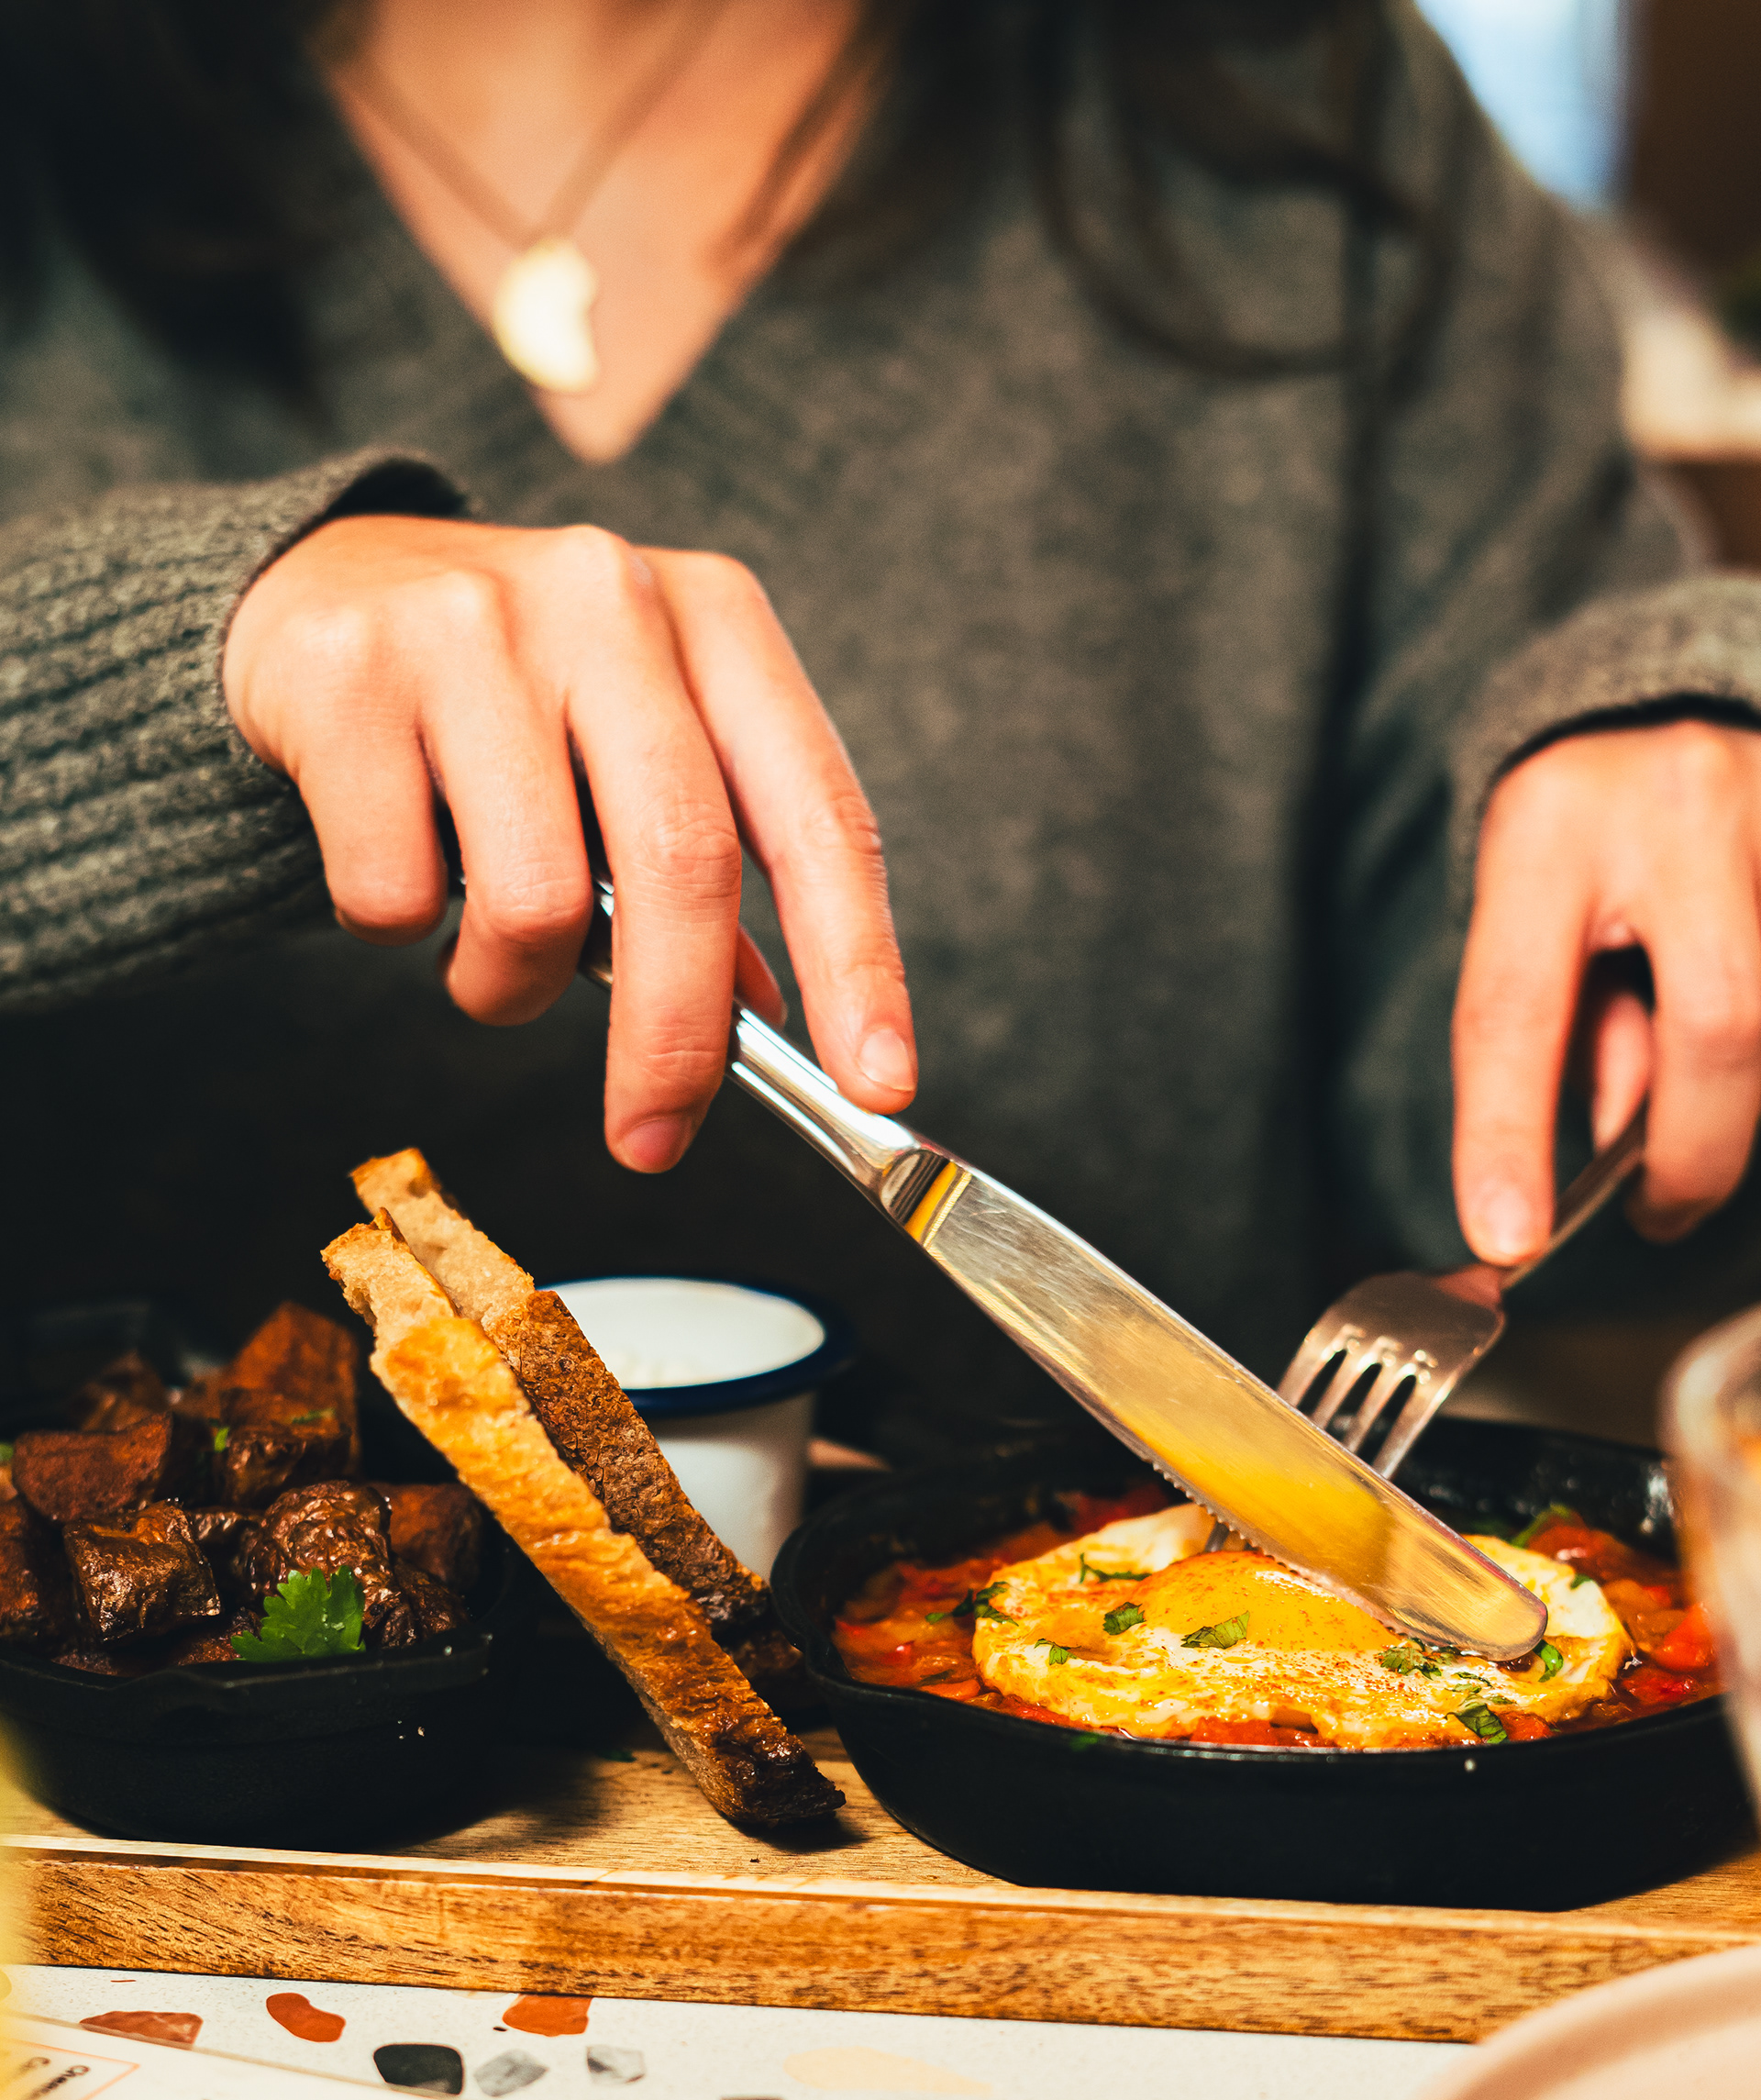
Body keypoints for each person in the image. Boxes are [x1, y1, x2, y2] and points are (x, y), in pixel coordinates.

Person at [4, 0, 1761, 1431]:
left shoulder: (1309, 105)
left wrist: (1693, 873)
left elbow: (1538, 1191)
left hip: (1124, 1718)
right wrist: (175, 657)